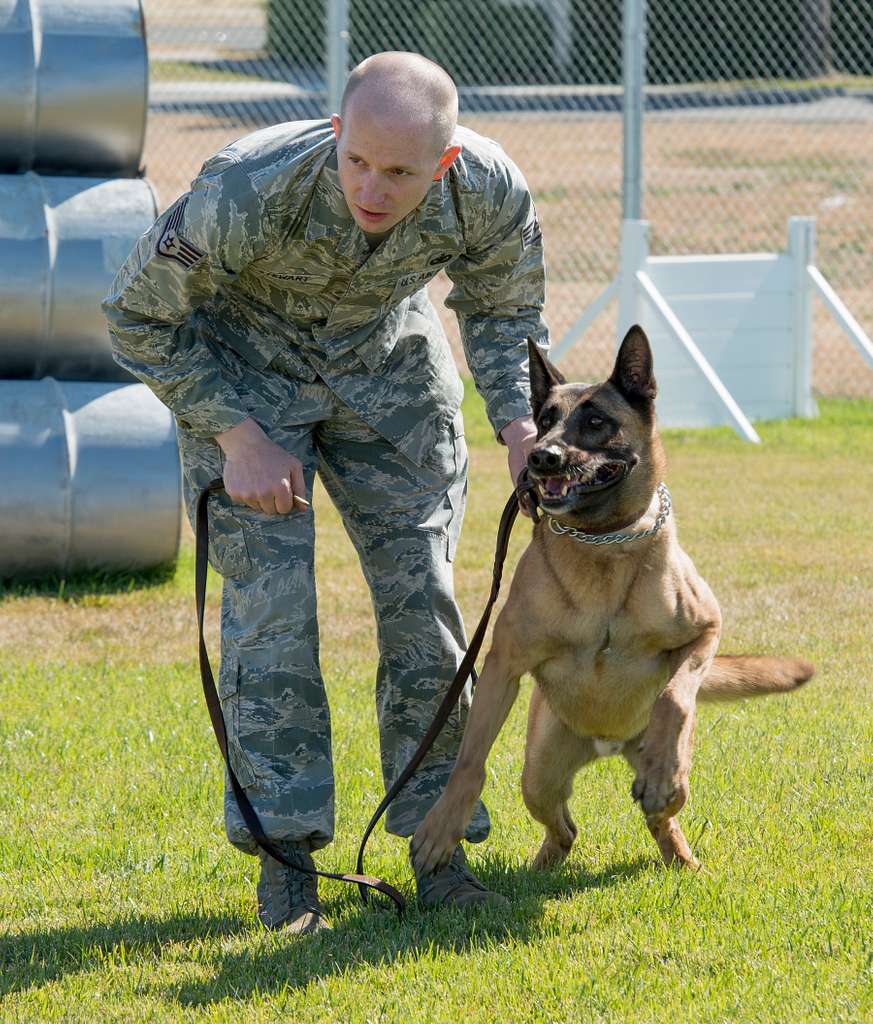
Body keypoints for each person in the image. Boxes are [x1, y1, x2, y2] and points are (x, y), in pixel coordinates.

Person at [103, 51, 547, 934]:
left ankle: (437, 846)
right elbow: (135, 315)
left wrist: (521, 427)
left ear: (444, 163)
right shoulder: (247, 188)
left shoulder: (489, 189)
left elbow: (502, 309)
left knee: (425, 602)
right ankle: (287, 867)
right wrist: (236, 437)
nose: (373, 188)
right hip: (245, 379)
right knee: (272, 614)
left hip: (387, 372)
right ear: (336, 132)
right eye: (357, 161)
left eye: (400, 172)